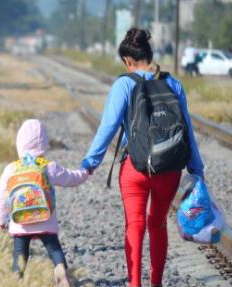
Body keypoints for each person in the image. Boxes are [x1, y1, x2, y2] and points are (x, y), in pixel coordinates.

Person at [81, 28, 205, 287]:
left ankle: (134, 283)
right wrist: (196, 167)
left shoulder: (124, 84)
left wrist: (90, 163)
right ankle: (156, 283)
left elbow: (108, 127)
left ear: (127, 61)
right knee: (157, 224)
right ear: (149, 55)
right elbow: (188, 131)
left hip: (135, 169)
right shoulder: (173, 83)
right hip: (169, 168)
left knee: (135, 224)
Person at [0, 119, 89, 287]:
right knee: (54, 249)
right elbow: (72, 178)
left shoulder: (11, 169)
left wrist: (1, 220)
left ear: (20, 143)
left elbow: (1, 196)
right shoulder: (49, 167)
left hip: (20, 222)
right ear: (44, 143)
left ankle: (16, 279)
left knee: (19, 254)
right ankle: (60, 271)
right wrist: (86, 170)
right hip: (45, 219)